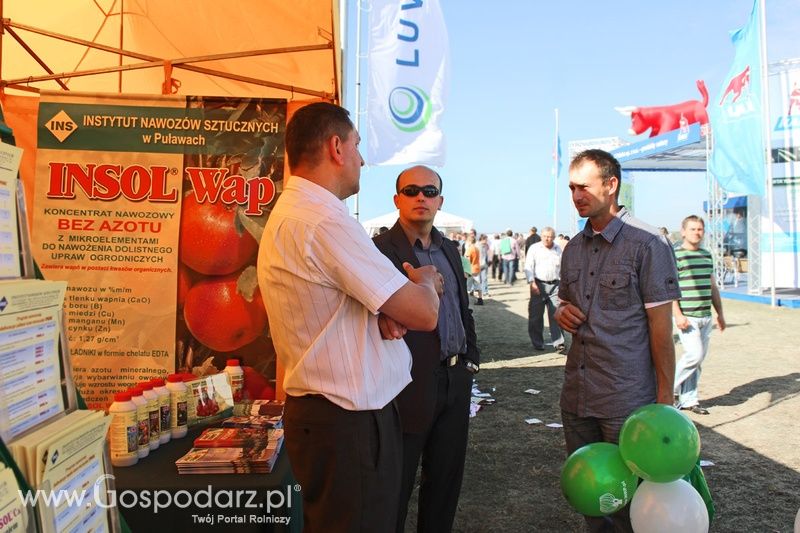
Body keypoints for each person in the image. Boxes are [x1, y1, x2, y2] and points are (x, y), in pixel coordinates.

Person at [257, 102, 442, 532]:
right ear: (336, 147)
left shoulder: (300, 214)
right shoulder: (324, 220)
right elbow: (423, 313)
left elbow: (333, 309)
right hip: (347, 425)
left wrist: (378, 316)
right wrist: (426, 280)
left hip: (331, 420)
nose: (362, 159)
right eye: (357, 145)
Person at [554, 149, 680, 532]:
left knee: (631, 507)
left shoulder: (648, 244)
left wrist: (663, 402)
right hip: (577, 397)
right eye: (572, 187)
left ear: (611, 185)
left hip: (626, 402)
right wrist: (561, 311)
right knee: (592, 499)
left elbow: (661, 330)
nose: (576, 195)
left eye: (584, 187)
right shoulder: (573, 248)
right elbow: (565, 303)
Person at [373, 165, 480, 533]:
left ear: (440, 201)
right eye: (412, 190)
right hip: (406, 384)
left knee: (445, 485)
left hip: (454, 378)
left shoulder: (449, 248)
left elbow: (463, 308)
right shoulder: (380, 250)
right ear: (397, 199)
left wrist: (471, 362)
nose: (422, 197)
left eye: (429, 191)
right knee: (395, 488)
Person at [673, 215, 726, 415]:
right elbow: (670, 289)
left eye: (700, 229)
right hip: (688, 317)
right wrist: (677, 314)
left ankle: (689, 400)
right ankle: (665, 391)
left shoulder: (706, 254)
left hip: (705, 315)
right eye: (693, 229)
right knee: (693, 355)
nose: (697, 232)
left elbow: (712, 287)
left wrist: (720, 314)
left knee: (698, 359)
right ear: (683, 231)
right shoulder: (676, 255)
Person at [524, 226, 565, 352]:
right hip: (538, 285)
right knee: (536, 316)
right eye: (546, 236)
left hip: (555, 285)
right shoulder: (534, 248)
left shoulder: (558, 249)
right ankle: (537, 342)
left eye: (551, 237)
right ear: (541, 236)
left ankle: (559, 343)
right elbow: (528, 266)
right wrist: (532, 282)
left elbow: (563, 267)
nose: (548, 239)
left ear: (554, 237)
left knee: (556, 314)